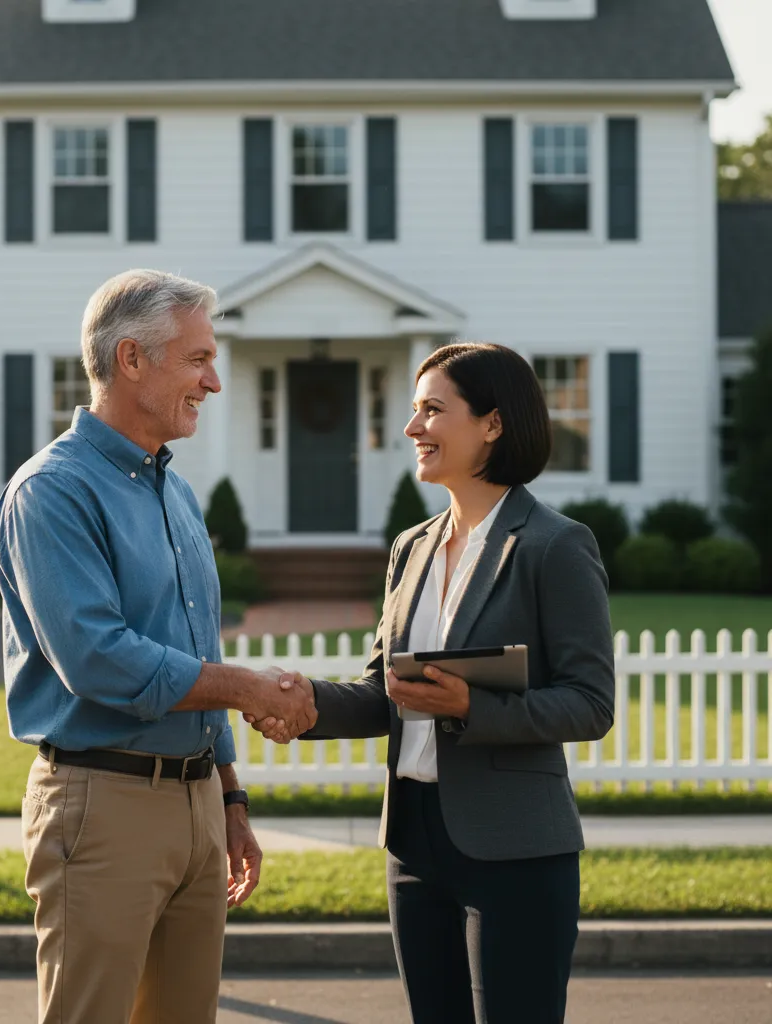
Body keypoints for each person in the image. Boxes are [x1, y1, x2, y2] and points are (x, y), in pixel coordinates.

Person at [250, 343, 615, 1024]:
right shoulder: (411, 548)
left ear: (492, 424)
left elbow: (591, 704)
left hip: (516, 851)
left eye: (432, 410)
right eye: (414, 411)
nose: (412, 428)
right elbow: (385, 688)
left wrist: (473, 707)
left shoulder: (554, 546)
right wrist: (304, 704)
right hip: (413, 844)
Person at [0, 269, 316, 1024]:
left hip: (198, 802)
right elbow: (97, 657)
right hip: (102, 805)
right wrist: (240, 686)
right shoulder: (53, 491)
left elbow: (191, 644)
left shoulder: (175, 491)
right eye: (198, 358)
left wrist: (230, 795)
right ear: (131, 358)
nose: (215, 380)